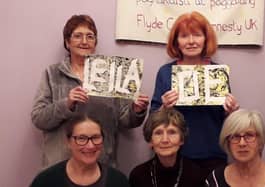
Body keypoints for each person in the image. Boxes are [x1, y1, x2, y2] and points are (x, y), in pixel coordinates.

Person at [31, 14, 149, 168]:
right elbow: (39, 118)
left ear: (95, 42)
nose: (84, 41)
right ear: (67, 42)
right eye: (78, 36)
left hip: (101, 164)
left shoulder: (112, 73)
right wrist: (66, 104)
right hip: (59, 166)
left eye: (90, 36)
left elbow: (125, 120)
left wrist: (136, 110)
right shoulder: (52, 73)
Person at [150, 11, 239, 175]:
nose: (191, 41)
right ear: (176, 42)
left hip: (212, 153)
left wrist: (231, 111)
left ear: (206, 39)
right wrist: (164, 107)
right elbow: (152, 121)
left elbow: (226, 119)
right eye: (184, 36)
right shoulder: (165, 72)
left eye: (197, 35)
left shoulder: (217, 73)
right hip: (174, 154)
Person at [30, 114, 130, 187]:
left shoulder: (118, 181)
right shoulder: (46, 181)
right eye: (82, 138)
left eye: (96, 137)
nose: (90, 146)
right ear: (68, 142)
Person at [129, 108, 205, 187]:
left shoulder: (196, 174)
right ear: (150, 141)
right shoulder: (138, 176)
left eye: (172, 132)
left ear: (182, 139)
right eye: (158, 133)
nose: (165, 140)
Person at [205, 109, 265, 187]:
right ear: (227, 142)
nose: (242, 143)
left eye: (249, 135)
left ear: (260, 140)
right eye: (235, 136)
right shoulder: (215, 179)